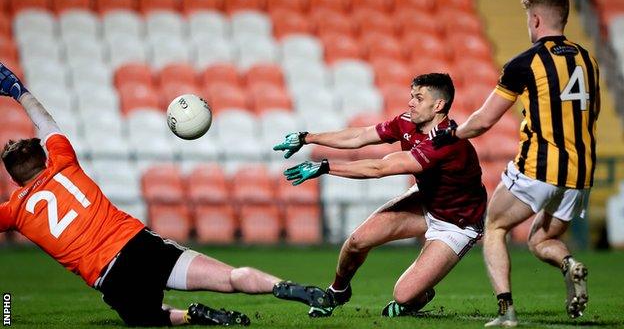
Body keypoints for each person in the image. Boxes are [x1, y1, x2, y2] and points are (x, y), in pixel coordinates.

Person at [0, 63, 330, 327]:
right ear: (42, 157)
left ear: (13, 177)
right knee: (230, 277)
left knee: (149, 318)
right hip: (139, 246)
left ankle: (192, 316)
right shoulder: (63, 163)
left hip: (109, 275)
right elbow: (45, 122)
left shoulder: (14, 210)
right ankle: (292, 289)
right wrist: (18, 90)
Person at [431, 0, 599, 327]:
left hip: (538, 167)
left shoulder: (525, 62)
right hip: (579, 175)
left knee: (494, 227)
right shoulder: (588, 59)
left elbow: (483, 121)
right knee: (542, 239)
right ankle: (570, 265)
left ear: (535, 19)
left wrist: (452, 133)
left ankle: (506, 311)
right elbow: (591, 114)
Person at [273, 73, 488, 318]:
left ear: (438, 105)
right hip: (427, 201)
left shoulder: (446, 142)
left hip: (457, 222)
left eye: (418, 98)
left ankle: (420, 294)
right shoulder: (407, 122)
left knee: (403, 295)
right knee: (356, 242)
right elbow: (361, 136)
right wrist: (307, 137)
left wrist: (325, 167)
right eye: (411, 96)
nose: (411, 103)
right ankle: (337, 291)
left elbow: (380, 168)